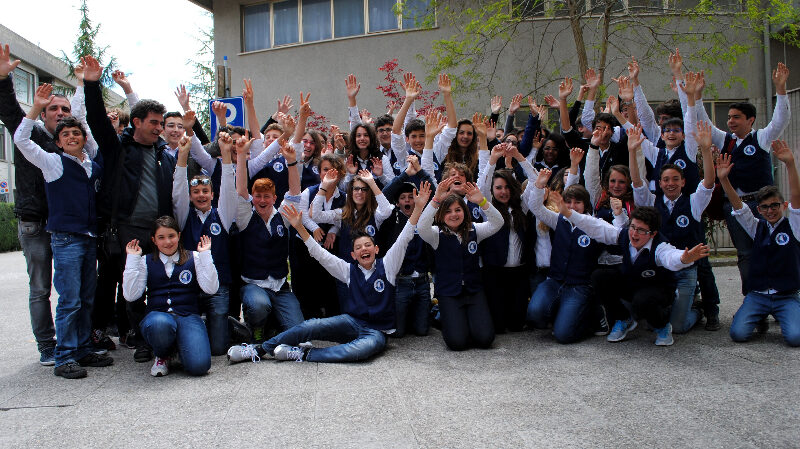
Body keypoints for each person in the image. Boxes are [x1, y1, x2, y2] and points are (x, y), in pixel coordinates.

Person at [227, 184, 426, 363]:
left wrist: (418, 208)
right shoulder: (348, 270)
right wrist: (299, 227)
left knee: (360, 350)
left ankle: (303, 354)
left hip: (377, 331)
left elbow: (405, 237)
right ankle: (259, 349)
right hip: (351, 322)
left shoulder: (388, 265)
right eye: (358, 247)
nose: (364, 249)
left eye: (368, 245)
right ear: (353, 255)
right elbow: (320, 254)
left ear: (376, 249)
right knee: (310, 326)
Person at [13, 83, 114, 378]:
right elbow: (21, 140)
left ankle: (82, 348)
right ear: (58, 142)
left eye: (76, 133)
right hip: (66, 239)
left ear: (84, 138)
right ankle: (64, 356)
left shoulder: (91, 164)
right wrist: (35, 108)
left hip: (88, 238)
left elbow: (83, 119)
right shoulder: (52, 163)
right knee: (69, 300)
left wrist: (83, 86)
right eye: (65, 134)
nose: (71, 137)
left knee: (85, 298)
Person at [83, 56, 176, 363]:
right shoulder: (118, 148)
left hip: (157, 230)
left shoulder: (164, 154)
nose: (159, 128)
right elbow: (97, 120)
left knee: (157, 283)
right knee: (131, 284)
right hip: (126, 228)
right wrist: (91, 84)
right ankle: (139, 338)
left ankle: (146, 333)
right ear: (137, 122)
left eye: (161, 123)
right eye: (154, 123)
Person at [0, 43, 72, 364]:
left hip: (65, 226)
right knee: (41, 287)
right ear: (42, 114)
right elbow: (9, 112)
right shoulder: (31, 136)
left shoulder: (72, 144)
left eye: (65, 109)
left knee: (70, 286)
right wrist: (3, 80)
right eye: (53, 108)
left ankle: (75, 338)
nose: (60, 113)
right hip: (35, 222)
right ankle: (46, 345)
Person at [562, 204, 709, 346]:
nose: (634, 234)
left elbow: (670, 256)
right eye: (632, 227)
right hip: (632, 285)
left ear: (653, 233)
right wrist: (569, 214)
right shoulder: (624, 235)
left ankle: (662, 327)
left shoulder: (660, 247)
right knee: (599, 277)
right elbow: (596, 226)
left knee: (642, 301)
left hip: (658, 290)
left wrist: (684, 259)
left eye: (641, 230)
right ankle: (623, 319)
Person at [703, 62, 790, 294]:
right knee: (745, 254)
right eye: (729, 117)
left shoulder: (761, 138)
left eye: (737, 117)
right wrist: (694, 96)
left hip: (760, 204)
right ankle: (753, 297)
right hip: (734, 206)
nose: (731, 121)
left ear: (750, 120)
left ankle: (780, 294)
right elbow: (704, 124)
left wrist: (781, 89)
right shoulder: (725, 140)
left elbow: (780, 120)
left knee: (772, 247)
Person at [628, 121, 716, 334]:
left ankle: (697, 310)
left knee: (677, 327)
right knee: (653, 323)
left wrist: (705, 150)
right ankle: (674, 307)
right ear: (659, 183)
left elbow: (708, 183)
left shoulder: (693, 203)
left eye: (675, 179)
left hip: (686, 272)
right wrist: (632, 151)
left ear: (683, 182)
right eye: (666, 180)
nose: (670, 183)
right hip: (662, 272)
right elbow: (637, 182)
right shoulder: (652, 202)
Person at [720, 141, 800, 347]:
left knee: (795, 338)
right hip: (758, 295)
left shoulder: (794, 227)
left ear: (783, 205)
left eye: (774, 205)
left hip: (786, 296)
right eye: (765, 207)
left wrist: (790, 164)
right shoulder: (756, 227)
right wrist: (724, 179)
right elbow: (739, 206)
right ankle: (759, 315)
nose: (770, 210)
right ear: (760, 210)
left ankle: (788, 314)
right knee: (738, 334)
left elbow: (797, 198)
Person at [417, 177, 504, 350]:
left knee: (485, 339)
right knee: (457, 343)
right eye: (448, 211)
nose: (454, 215)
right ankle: (447, 317)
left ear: (464, 211)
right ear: (441, 215)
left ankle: (467, 323)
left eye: (458, 210)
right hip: (449, 292)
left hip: (473, 290)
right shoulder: (436, 234)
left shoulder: (475, 230)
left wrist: (482, 201)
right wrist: (436, 200)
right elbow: (421, 227)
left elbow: (498, 222)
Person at [122, 219, 218, 376]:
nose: (167, 242)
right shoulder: (146, 261)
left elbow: (211, 288)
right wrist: (132, 260)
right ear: (154, 240)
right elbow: (131, 295)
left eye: (171, 236)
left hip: (188, 315)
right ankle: (162, 354)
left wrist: (206, 255)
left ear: (179, 236)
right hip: (158, 316)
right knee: (160, 324)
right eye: (161, 237)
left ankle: (181, 347)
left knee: (199, 366)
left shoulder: (194, 257)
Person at [235, 134, 305, 341]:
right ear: (253, 198)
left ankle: (273, 325)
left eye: (267, 196)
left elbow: (295, 191)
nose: (262, 200)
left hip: (280, 285)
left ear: (274, 198)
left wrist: (291, 162)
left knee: (298, 330)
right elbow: (241, 190)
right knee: (259, 306)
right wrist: (241, 156)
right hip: (253, 283)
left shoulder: (283, 216)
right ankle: (255, 327)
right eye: (258, 196)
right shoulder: (245, 217)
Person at [173, 133, 237, 355]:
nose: (201, 196)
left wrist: (226, 154)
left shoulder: (223, 215)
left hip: (218, 285)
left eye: (205, 192)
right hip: (189, 285)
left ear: (212, 194)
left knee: (218, 349)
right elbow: (178, 190)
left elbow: (229, 189)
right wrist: (182, 157)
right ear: (190, 196)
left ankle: (226, 325)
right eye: (196, 192)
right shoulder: (184, 216)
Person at [526, 169, 603, 343]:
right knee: (535, 314)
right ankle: (564, 315)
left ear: (586, 205)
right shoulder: (558, 220)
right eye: (568, 202)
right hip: (555, 281)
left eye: (577, 202)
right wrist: (539, 185)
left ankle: (589, 317)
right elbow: (536, 207)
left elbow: (615, 237)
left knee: (564, 336)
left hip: (579, 285)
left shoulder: (594, 225)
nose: (572, 206)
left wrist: (620, 216)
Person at [477, 142, 537, 333]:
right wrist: (493, 159)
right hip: (494, 273)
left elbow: (536, 180)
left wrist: (519, 157)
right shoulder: (487, 208)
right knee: (499, 326)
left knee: (516, 325)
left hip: (519, 273)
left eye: (507, 187)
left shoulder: (522, 206)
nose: (503, 191)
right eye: (498, 187)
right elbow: (482, 186)